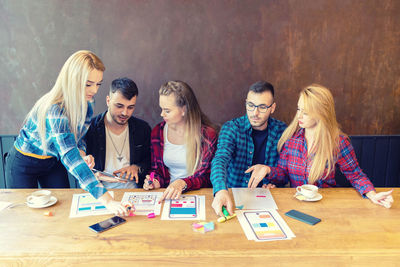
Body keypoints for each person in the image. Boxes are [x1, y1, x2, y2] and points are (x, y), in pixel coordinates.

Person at [5, 50, 129, 215]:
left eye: (98, 84)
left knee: (62, 211)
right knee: (26, 216)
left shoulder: (88, 102)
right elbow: (70, 157)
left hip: (53, 161)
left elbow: (79, 137)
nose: (94, 90)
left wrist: (82, 152)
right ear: (73, 80)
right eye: (88, 84)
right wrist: (108, 201)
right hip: (24, 163)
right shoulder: (55, 109)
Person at [265, 84, 393, 208]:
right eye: (299, 109)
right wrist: (268, 171)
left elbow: (355, 175)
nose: (299, 115)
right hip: (295, 206)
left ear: (321, 113)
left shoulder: (338, 142)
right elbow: (283, 175)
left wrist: (372, 195)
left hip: (326, 207)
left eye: (306, 112)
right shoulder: (291, 139)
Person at [211, 81, 287, 216]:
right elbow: (220, 160)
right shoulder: (232, 128)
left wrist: (272, 176)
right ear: (246, 103)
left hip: (270, 202)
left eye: (262, 107)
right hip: (233, 199)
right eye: (251, 105)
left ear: (272, 108)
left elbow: (285, 172)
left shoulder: (282, 131)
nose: (255, 113)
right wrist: (221, 190)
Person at [143, 81, 218, 201]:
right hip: (169, 196)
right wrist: (155, 181)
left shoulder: (207, 136)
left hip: (199, 196)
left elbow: (206, 177)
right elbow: (156, 169)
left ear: (184, 109)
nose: (162, 114)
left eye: (167, 110)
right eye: (161, 109)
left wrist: (182, 183)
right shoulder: (158, 132)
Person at [85, 77, 151, 189]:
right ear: (108, 101)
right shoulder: (90, 129)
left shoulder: (142, 129)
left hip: (135, 192)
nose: (125, 113)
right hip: (100, 192)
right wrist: (97, 175)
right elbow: (80, 167)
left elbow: (151, 161)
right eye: (119, 106)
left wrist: (137, 167)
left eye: (130, 107)